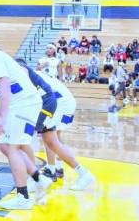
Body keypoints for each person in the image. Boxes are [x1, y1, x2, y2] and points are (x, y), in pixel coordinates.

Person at [0, 27, 52, 210]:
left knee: (9, 146)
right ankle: (39, 179)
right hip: (25, 103)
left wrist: (3, 118)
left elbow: (5, 87)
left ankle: (23, 197)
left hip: (24, 104)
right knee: (6, 146)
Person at [30, 59, 94, 190]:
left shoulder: (28, 76)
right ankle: (57, 168)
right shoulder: (36, 73)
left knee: (49, 138)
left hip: (60, 103)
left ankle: (56, 170)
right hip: (66, 101)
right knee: (55, 138)